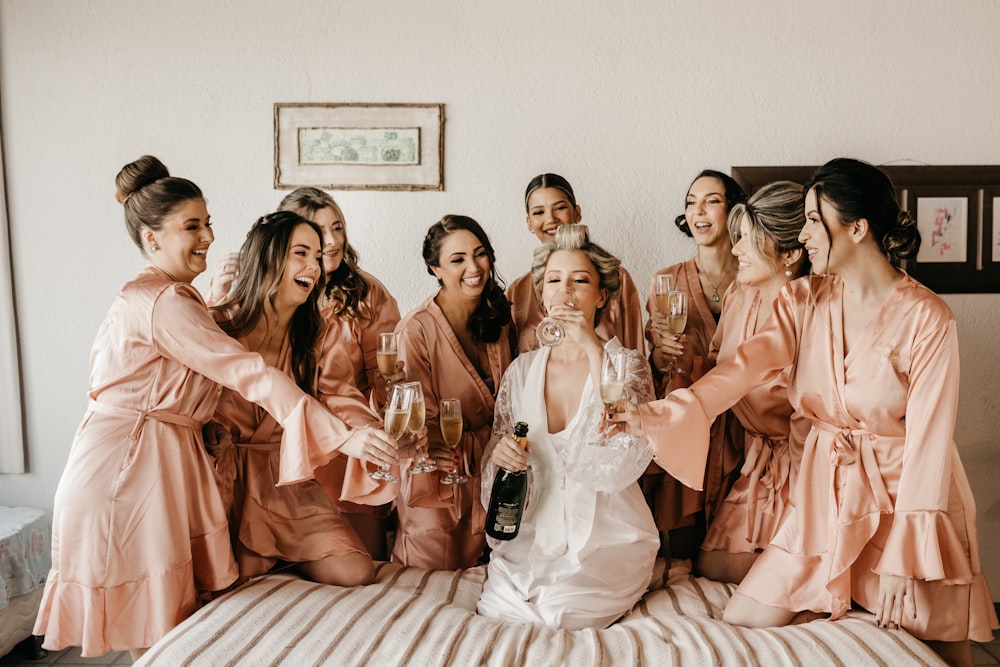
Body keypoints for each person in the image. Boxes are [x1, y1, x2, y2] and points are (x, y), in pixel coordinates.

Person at [621, 158, 998, 667]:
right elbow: (743, 369)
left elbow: (929, 448)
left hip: (905, 500)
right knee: (745, 619)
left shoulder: (928, 319)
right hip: (824, 501)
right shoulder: (803, 298)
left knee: (945, 651)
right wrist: (663, 414)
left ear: (858, 228)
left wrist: (903, 562)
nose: (803, 236)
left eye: (814, 221)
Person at [32, 156, 398, 660]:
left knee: (159, 606)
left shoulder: (175, 299)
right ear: (151, 237)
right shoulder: (174, 304)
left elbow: (329, 388)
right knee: (153, 609)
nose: (206, 235)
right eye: (191, 226)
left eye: (208, 223)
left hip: (157, 455)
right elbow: (246, 372)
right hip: (130, 460)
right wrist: (340, 437)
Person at [477, 224, 658, 630]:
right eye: (554, 281)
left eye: (580, 281)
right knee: (500, 609)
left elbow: (625, 462)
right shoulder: (522, 371)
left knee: (561, 613)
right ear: (542, 296)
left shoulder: (626, 365)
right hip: (533, 535)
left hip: (608, 538)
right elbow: (497, 454)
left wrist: (593, 348)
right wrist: (503, 457)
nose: (566, 291)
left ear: (601, 295)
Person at [210, 211, 399, 586]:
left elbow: (338, 392)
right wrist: (209, 428)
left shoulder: (316, 333)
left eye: (316, 257)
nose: (313, 266)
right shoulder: (218, 324)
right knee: (229, 579)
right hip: (222, 481)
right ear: (268, 257)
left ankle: (278, 558)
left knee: (355, 570)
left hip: (284, 481)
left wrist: (366, 434)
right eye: (301, 253)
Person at [276, 187, 402, 560]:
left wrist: (398, 422)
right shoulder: (273, 292)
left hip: (350, 438)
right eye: (319, 232)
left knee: (364, 559)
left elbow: (388, 374)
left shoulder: (367, 293)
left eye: (338, 228)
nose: (332, 242)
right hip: (284, 432)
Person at [696, 181, 810, 584]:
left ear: (791, 253)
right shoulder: (737, 296)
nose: (736, 249)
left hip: (803, 469)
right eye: (737, 238)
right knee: (711, 571)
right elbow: (717, 368)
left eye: (747, 240)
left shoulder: (812, 311)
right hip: (752, 464)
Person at [393, 215, 515, 570]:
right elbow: (413, 419)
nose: (474, 267)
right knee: (429, 586)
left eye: (480, 254)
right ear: (435, 268)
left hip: (493, 477)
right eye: (457, 259)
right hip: (439, 478)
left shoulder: (499, 316)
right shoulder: (416, 330)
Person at [643, 169, 748, 560]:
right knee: (683, 552)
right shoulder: (665, 281)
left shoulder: (755, 278)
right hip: (690, 426)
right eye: (690, 202)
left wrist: (700, 362)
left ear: (734, 211)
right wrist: (661, 356)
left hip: (746, 424)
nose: (698, 211)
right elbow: (651, 365)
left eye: (711, 201)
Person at [507, 173, 645, 354]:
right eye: (539, 212)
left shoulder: (615, 279)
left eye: (559, 208)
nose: (550, 219)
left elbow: (634, 351)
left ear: (577, 212)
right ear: (529, 223)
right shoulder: (517, 291)